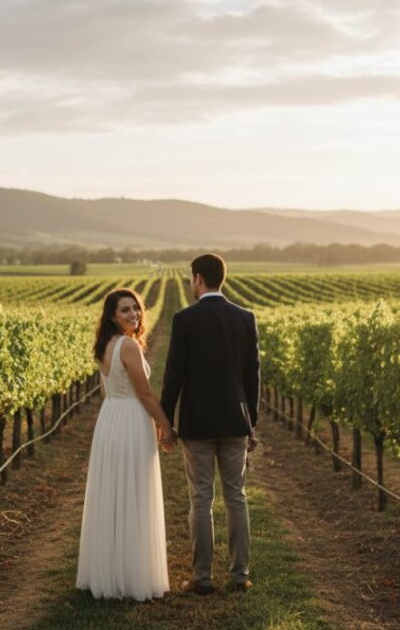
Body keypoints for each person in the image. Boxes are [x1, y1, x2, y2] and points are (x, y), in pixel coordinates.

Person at [161, 254, 260, 595]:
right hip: (235, 419)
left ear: (199, 279)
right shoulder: (245, 318)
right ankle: (239, 575)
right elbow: (252, 375)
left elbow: (174, 372)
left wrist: (165, 419)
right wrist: (252, 422)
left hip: (197, 422)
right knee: (236, 497)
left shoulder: (185, 319)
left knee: (201, 498)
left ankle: (202, 577)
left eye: (192, 280)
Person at [76, 288, 173, 601]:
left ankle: (110, 571)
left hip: (110, 418)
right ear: (112, 316)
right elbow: (144, 395)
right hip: (130, 418)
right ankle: (131, 576)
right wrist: (166, 426)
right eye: (125, 311)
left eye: (136, 309)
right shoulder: (129, 345)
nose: (134, 315)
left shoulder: (107, 344)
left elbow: (106, 392)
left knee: (115, 493)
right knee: (132, 491)